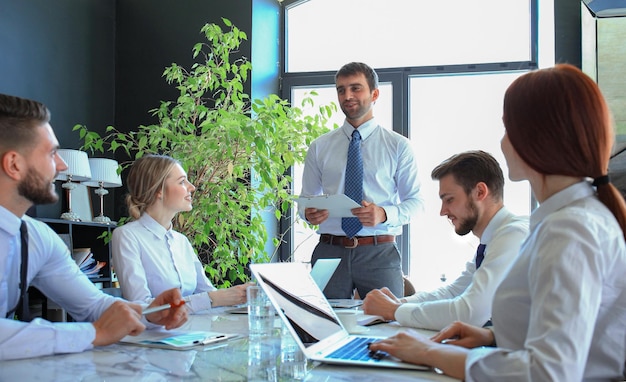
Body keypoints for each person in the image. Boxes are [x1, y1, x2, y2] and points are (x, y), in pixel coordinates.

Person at [369, 64, 626, 380]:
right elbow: (570, 334)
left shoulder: (570, 230)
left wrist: (428, 352)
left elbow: (549, 372)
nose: (503, 142)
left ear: (536, 137)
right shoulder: (561, 222)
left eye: (508, 129)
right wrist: (494, 338)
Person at [0, 93, 187, 361]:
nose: (62, 165)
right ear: (14, 164)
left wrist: (148, 312)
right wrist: (92, 333)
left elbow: (94, 304)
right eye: (52, 153)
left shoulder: (37, 237)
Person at [362, 150, 528, 330]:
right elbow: (454, 292)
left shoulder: (513, 236)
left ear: (480, 192)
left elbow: (468, 313)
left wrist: (394, 310)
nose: (443, 211)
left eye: (449, 199)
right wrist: (399, 302)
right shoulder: (494, 240)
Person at [300, 62, 424, 299]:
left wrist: (384, 214)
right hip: (329, 251)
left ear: (374, 94)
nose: (347, 96)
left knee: (386, 324)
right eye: (341, 90)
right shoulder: (320, 147)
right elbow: (305, 200)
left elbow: (416, 202)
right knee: (321, 326)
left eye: (355, 88)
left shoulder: (398, 146)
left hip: (379, 251)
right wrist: (308, 212)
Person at [112, 154, 253, 313]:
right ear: (159, 190)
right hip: (153, 336)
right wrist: (214, 298)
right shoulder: (127, 236)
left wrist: (242, 295)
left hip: (195, 333)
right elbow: (141, 307)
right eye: (182, 181)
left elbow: (207, 293)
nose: (192, 187)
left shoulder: (182, 241)